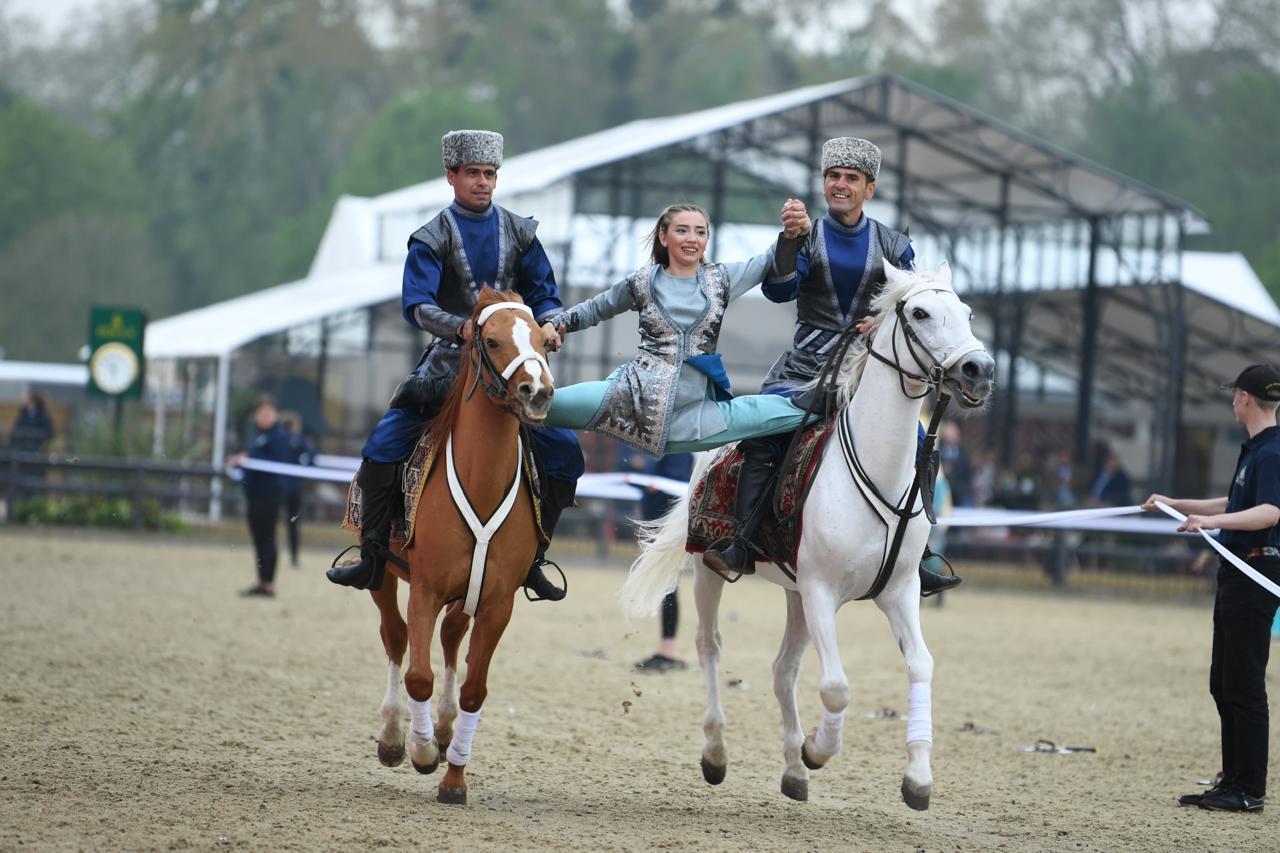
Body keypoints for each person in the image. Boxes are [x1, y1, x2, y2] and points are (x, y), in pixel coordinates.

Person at [326, 130, 584, 602]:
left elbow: (545, 292)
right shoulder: (430, 238)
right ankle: (371, 555)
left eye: (490, 174)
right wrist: (462, 328)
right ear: (452, 176)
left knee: (567, 450)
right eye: (473, 174)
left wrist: (548, 323)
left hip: (513, 367)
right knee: (381, 445)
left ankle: (533, 557)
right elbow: (417, 306)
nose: (483, 182)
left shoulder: (522, 233)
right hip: (447, 365)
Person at [701, 137, 961, 593]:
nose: (840, 185)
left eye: (851, 179)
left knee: (921, 444)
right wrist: (788, 241)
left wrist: (878, 322)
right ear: (824, 182)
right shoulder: (804, 234)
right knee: (765, 436)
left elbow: (912, 302)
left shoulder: (896, 245)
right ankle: (741, 542)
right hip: (802, 369)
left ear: (870, 189)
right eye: (833, 177)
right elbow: (779, 292)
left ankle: (917, 554)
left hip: (868, 373)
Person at [543, 203, 813, 458]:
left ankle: (833, 400)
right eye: (681, 230)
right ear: (663, 237)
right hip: (631, 399)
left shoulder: (721, 279)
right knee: (539, 404)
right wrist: (552, 325)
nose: (692, 239)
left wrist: (793, 231)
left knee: (798, 408)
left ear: (707, 239)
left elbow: (767, 261)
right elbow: (594, 309)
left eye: (700, 232)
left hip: (697, 415)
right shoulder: (642, 282)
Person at [1147, 364, 1280, 813]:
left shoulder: (1273, 452)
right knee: (1223, 682)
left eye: (1234, 395)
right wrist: (1175, 503)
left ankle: (1249, 789)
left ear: (1244, 397)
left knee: (1244, 684)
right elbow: (1233, 503)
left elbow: (1268, 513)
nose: (1232, 401)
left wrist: (1211, 523)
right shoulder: (1257, 450)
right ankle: (1232, 779)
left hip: (1255, 574)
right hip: (1235, 574)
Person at [633, 452, 695, 673]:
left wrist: (646, 477)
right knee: (666, 585)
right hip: (658, 524)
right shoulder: (666, 450)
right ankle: (665, 647)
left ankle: (667, 649)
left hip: (666, 526)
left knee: (668, 585)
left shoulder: (678, 450)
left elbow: (672, 481)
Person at [237, 396, 294, 598]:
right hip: (256, 494)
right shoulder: (260, 436)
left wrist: (248, 459)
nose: (264, 417)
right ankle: (262, 581)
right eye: (261, 413)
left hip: (269, 494)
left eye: (268, 413)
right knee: (259, 538)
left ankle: (268, 583)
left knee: (267, 538)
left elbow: (276, 461)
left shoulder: (279, 436)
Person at [280, 412, 316, 569]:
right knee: (292, 523)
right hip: (289, 487)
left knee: (290, 522)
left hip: (285, 487)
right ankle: (293, 557)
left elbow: (311, 456)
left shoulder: (285, 439)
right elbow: (311, 455)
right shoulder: (295, 439)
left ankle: (291, 556)